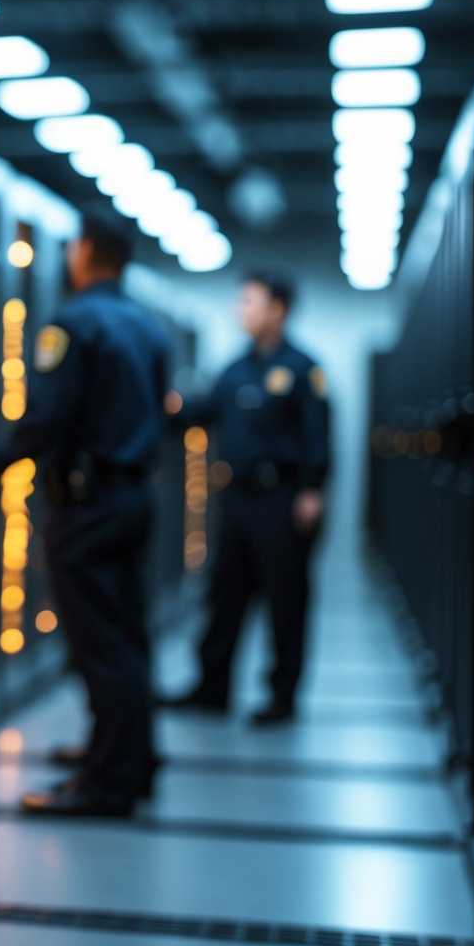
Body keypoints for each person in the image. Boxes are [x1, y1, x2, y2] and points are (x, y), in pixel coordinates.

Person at [0, 212, 171, 817]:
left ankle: (107, 785)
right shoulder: (148, 327)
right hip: (133, 497)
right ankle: (131, 763)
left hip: (87, 505)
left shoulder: (75, 323)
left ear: (85, 251)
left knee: (98, 646)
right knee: (127, 639)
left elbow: (47, 418)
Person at [161, 272, 329, 725]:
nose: (241, 309)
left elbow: (318, 436)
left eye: (250, 301)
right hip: (237, 499)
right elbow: (204, 411)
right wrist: (169, 405)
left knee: (285, 600)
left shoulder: (302, 369)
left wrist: (313, 488)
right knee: (225, 594)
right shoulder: (235, 369)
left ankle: (282, 695)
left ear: (278, 310)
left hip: (283, 498)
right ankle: (211, 687)